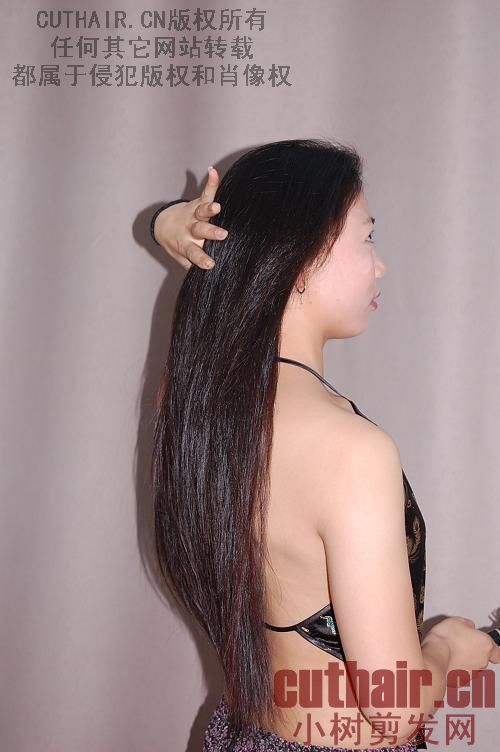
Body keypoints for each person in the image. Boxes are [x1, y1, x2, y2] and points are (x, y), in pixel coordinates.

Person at [150, 139, 500, 752]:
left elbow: (222, 282)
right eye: (368, 238)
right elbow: (395, 710)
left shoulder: (196, 404)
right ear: (300, 257)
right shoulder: (352, 451)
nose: (379, 265)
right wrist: (447, 649)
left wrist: (164, 224)